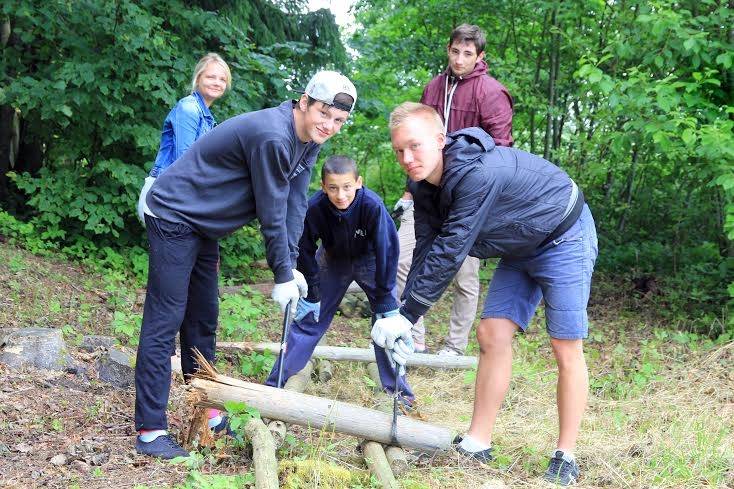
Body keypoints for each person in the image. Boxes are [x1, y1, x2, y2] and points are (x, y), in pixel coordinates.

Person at [134, 71, 357, 459]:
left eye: (338, 121)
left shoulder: (309, 142)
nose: (330, 125)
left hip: (202, 225)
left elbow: (294, 205)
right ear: (304, 102)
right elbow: (271, 208)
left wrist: (292, 265)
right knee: (166, 317)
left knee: (203, 317)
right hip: (172, 214)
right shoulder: (273, 135)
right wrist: (281, 272)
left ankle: (207, 408)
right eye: (325, 113)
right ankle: (151, 430)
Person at [375, 102, 597, 486]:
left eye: (415, 146)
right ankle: (478, 441)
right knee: (491, 333)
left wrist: (407, 315)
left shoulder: (476, 174)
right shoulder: (423, 185)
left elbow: (453, 247)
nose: (407, 158)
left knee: (565, 344)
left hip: (564, 235)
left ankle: (566, 455)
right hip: (521, 246)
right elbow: (427, 247)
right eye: (399, 150)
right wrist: (401, 316)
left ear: (440, 140)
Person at [393, 24, 514, 356]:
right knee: (403, 260)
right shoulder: (433, 87)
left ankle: (454, 346)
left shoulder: (491, 92)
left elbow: (501, 148)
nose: (459, 59)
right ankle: (412, 333)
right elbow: (412, 144)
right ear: (447, 50)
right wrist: (408, 192)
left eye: (468, 53)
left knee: (463, 274)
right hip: (426, 192)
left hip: (468, 194)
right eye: (454, 51)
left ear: (480, 56)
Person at [265, 155, 414, 403]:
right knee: (308, 319)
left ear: (358, 182)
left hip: (370, 261)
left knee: (386, 323)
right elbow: (304, 247)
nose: (341, 195)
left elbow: (387, 249)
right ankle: (276, 384)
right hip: (332, 261)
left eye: (346, 187)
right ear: (323, 187)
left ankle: (399, 393)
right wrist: (311, 292)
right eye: (333, 188)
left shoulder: (372, 206)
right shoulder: (315, 207)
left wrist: (386, 299)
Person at [137, 53, 231, 224]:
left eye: (222, 79)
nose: (217, 83)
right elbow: (185, 161)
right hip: (165, 198)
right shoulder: (189, 109)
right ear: (198, 77)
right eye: (211, 77)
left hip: (181, 198)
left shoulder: (207, 117)